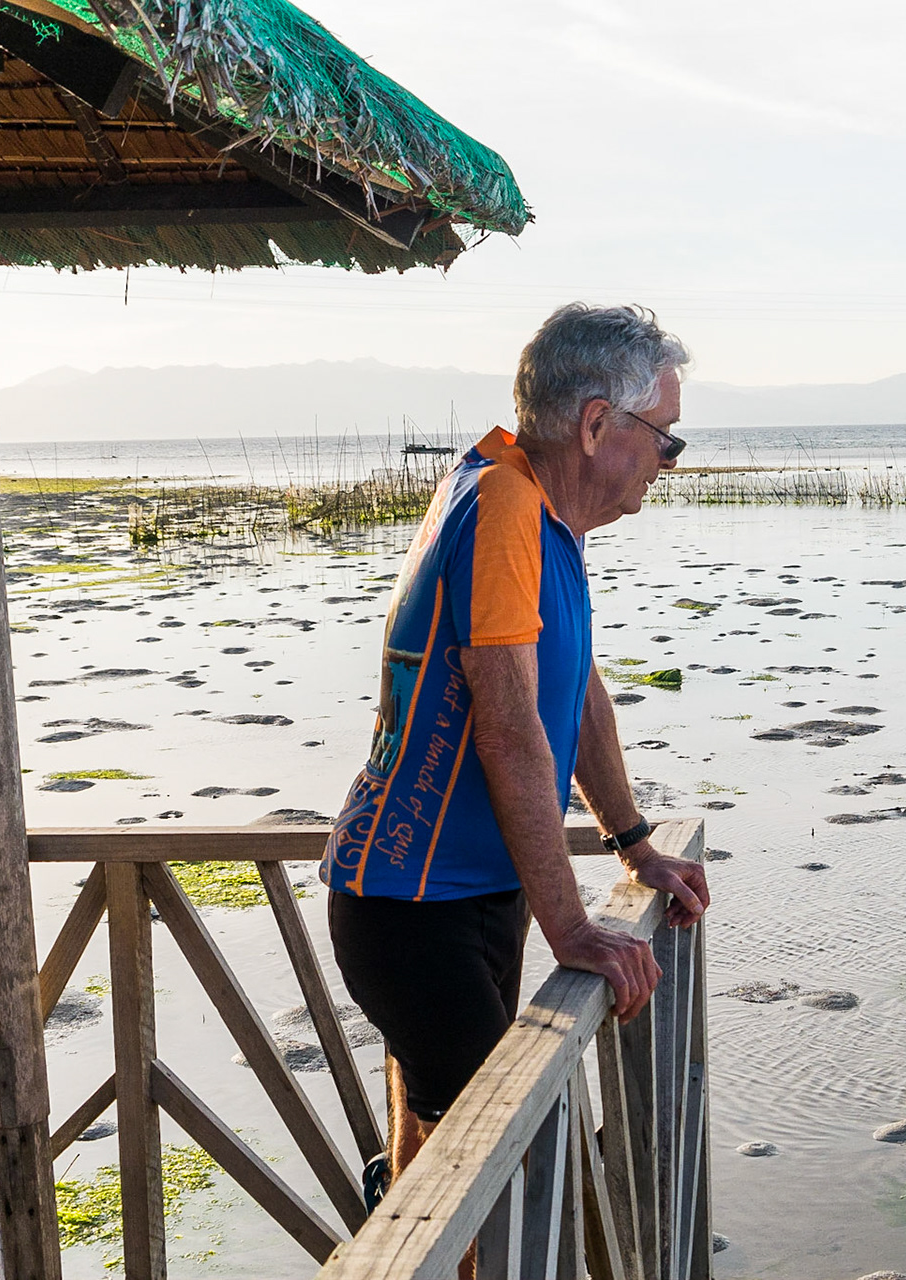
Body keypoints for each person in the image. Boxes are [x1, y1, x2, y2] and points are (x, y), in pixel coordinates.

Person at [321, 303, 712, 1193]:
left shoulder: (532, 503)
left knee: (444, 1150)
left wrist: (633, 841)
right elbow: (508, 728)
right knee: (511, 1175)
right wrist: (572, 923)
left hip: (471, 897)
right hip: (413, 910)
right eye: (665, 438)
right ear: (594, 424)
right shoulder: (502, 504)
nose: (669, 461)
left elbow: (575, 697)